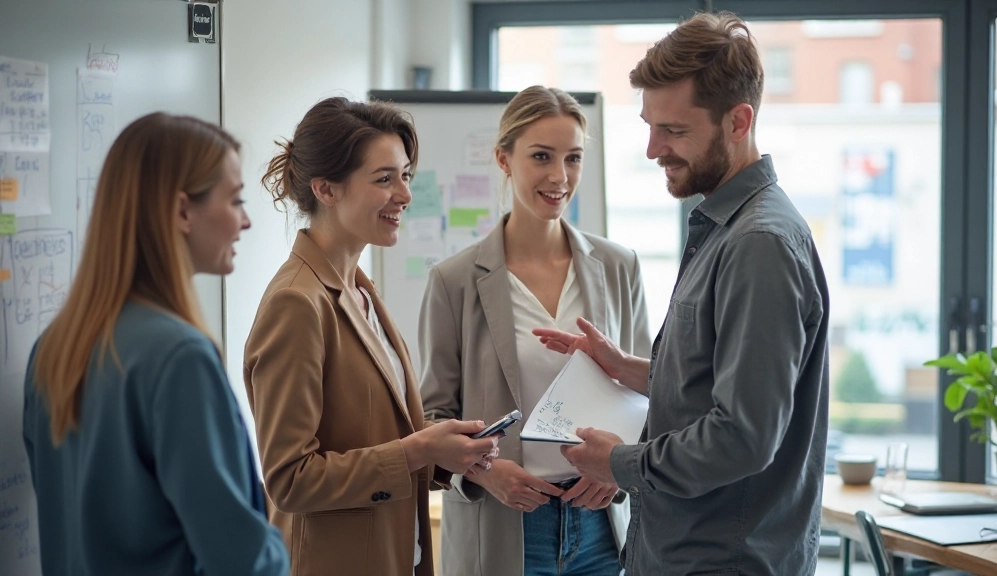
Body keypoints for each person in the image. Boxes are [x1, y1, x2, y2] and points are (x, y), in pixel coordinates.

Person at [535, 12, 831, 576]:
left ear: (738, 122)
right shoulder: (724, 228)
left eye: (673, 130)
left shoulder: (759, 244)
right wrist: (626, 369)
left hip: (724, 561)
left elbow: (743, 437)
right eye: (649, 126)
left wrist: (619, 464)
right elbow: (719, 384)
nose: (653, 149)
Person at [22, 113, 289, 576]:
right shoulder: (179, 357)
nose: (245, 221)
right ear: (183, 211)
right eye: (235, 200)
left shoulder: (52, 349)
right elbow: (242, 562)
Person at [244, 97, 500, 576]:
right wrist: (421, 449)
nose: (405, 194)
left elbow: (376, 437)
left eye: (406, 175)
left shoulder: (360, 290)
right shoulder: (296, 303)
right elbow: (290, 480)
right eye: (384, 179)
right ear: (326, 190)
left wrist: (447, 454)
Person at [419, 86, 652, 576]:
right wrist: (485, 472)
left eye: (573, 158)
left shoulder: (619, 266)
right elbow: (433, 417)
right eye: (542, 156)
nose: (559, 176)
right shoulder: (454, 280)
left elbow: (647, 394)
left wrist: (621, 471)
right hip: (503, 524)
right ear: (504, 159)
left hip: (601, 526)